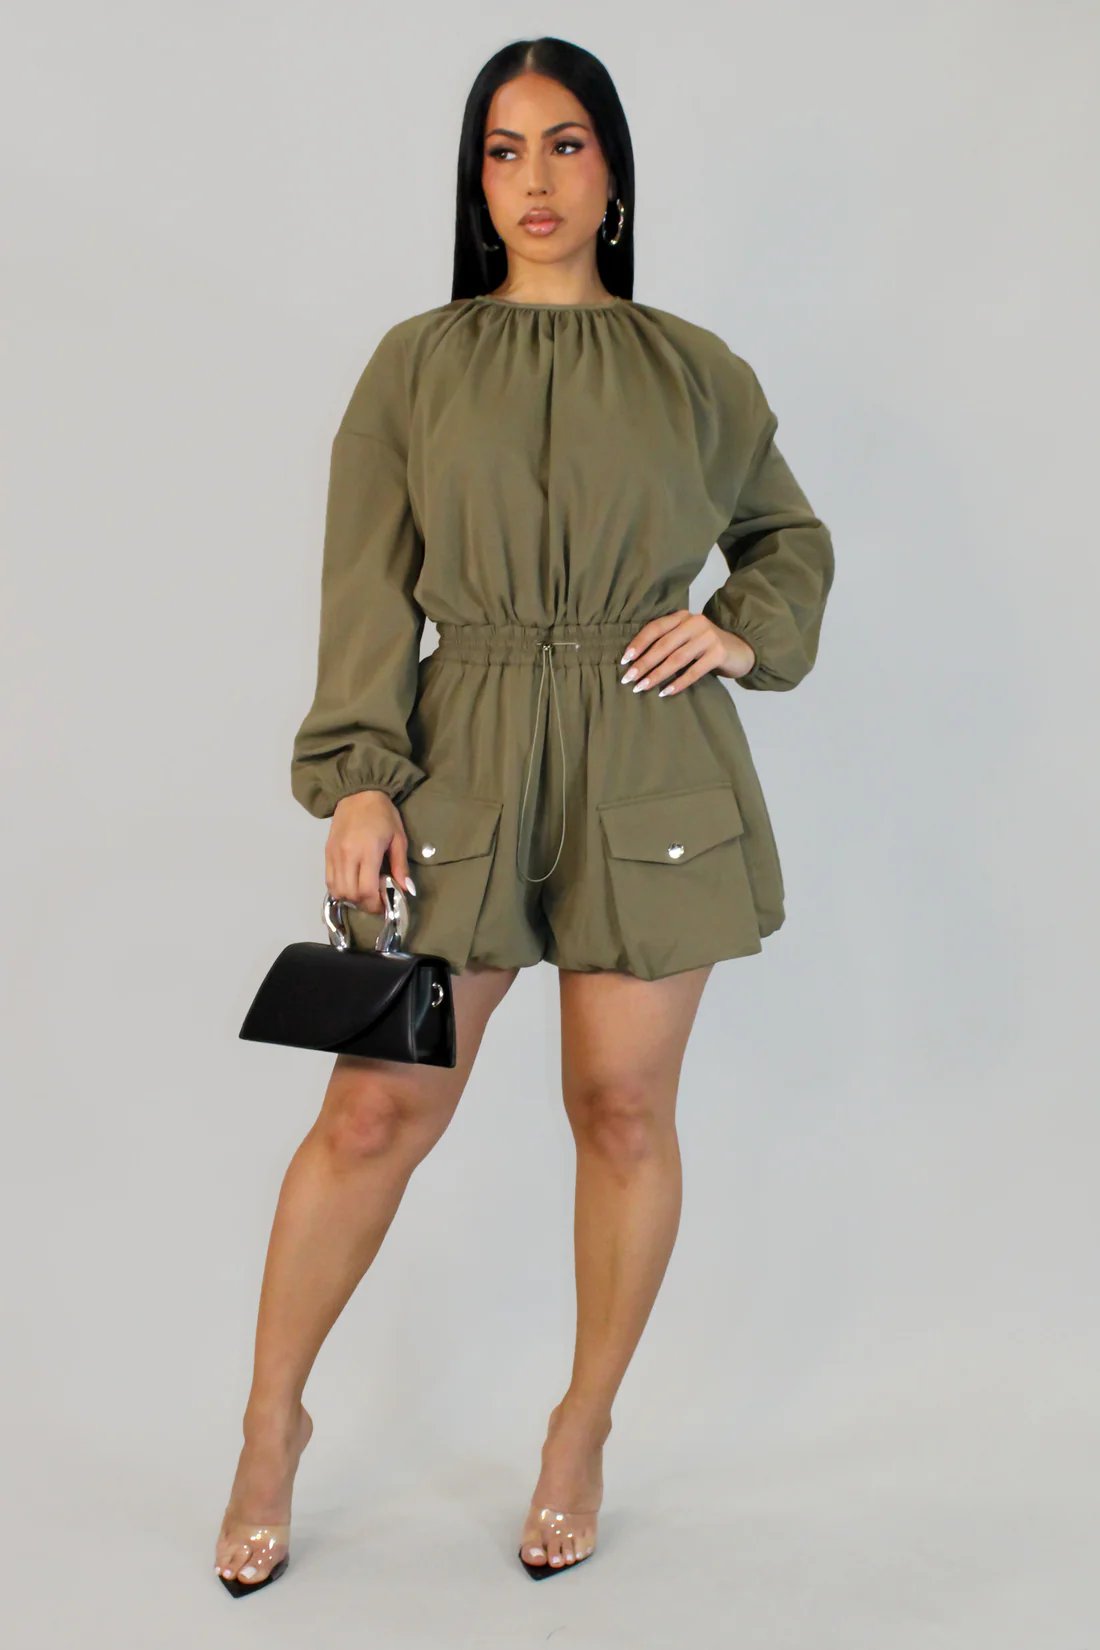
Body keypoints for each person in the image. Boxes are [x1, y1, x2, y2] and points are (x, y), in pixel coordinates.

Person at [215, 35, 835, 1595]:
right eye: (503, 150)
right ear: (474, 178)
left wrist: (738, 628)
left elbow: (788, 535)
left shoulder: (696, 370)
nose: (535, 179)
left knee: (620, 1112)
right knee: (375, 1112)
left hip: (650, 759)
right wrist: (359, 770)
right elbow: (366, 581)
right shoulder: (416, 363)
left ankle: (580, 1425)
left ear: (613, 170)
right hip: (466, 753)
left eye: (566, 144)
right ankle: (271, 1423)